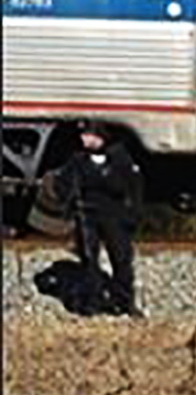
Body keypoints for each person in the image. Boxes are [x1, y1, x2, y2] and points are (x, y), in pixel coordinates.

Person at [60, 121, 144, 316]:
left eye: (87, 134)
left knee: (121, 258)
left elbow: (132, 186)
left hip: (113, 214)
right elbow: (64, 183)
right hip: (87, 214)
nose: (83, 138)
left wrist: (133, 214)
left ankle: (124, 301)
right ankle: (93, 301)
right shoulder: (77, 160)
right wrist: (71, 201)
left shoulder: (119, 157)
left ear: (99, 137)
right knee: (89, 259)